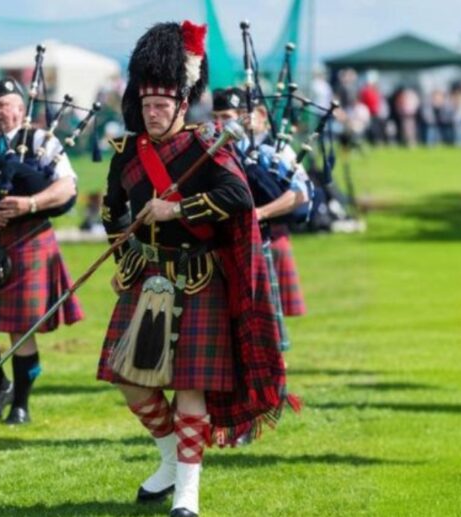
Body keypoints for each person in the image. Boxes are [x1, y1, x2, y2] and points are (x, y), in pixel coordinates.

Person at [97, 21, 294, 517]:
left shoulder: (206, 145)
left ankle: (188, 495)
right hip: (145, 276)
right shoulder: (127, 154)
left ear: (182, 105)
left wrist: (177, 210)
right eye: (147, 106)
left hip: (199, 275)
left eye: (162, 106)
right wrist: (123, 259)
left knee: (190, 386)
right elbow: (112, 211)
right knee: (131, 380)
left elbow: (238, 197)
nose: (154, 113)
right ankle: (168, 460)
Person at [0, 77, 83, 425]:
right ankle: (0, 385)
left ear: (21, 110)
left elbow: (67, 187)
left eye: (4, 104)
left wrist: (31, 202)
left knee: (21, 329)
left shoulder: (42, 140)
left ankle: (20, 405)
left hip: (29, 240)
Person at [210, 87, 309, 340]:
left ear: (245, 116)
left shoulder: (272, 149)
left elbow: (301, 193)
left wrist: (260, 213)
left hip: (265, 239)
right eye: (216, 117)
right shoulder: (212, 149)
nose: (220, 123)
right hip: (224, 243)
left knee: (265, 326)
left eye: (226, 116)